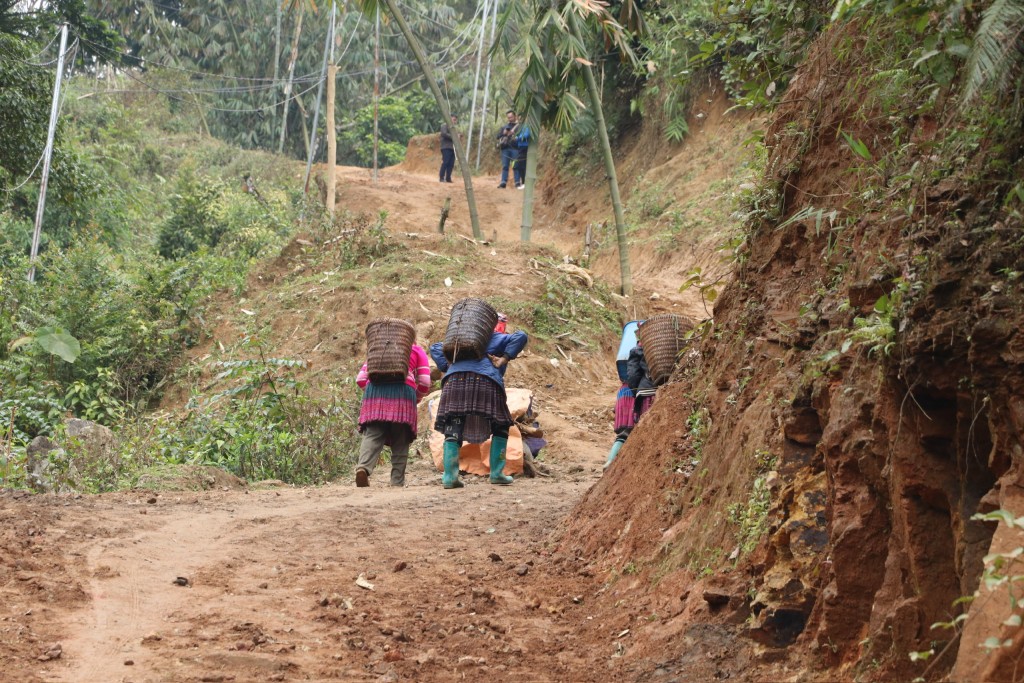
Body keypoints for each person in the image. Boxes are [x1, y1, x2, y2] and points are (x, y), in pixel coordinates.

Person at [430, 314, 528, 488]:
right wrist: (503, 359)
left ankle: (449, 477)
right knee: (500, 424)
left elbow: (435, 348)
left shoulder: (457, 342)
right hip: (486, 382)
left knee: (454, 425)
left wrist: (451, 366)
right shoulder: (495, 337)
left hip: (455, 384)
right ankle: (497, 473)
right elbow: (521, 336)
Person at [354, 342, 432, 487]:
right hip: (403, 393)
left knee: (373, 433)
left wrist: (373, 394)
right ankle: (397, 481)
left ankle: (363, 468)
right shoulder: (415, 349)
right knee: (401, 436)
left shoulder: (378, 348)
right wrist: (416, 397)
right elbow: (425, 381)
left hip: (375, 391)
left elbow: (360, 379)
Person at [604, 342, 655, 469]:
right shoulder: (653, 350)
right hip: (636, 394)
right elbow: (634, 377)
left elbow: (631, 375)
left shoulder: (635, 349)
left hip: (625, 393)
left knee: (623, 434)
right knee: (638, 432)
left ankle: (611, 462)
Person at [496, 110, 519, 189]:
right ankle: (503, 182)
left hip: (515, 148)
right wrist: (504, 133)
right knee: (505, 166)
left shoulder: (518, 127)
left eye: (511, 117)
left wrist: (514, 134)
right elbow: (498, 136)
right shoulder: (505, 127)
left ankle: (517, 182)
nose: (510, 119)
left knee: (515, 166)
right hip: (505, 148)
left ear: (515, 116)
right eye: (508, 117)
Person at [439, 114, 458, 183]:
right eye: (454, 119)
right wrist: (454, 136)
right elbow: (444, 134)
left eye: (455, 120)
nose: (455, 121)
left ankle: (448, 178)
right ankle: (441, 177)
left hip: (452, 148)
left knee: (451, 164)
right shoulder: (444, 125)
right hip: (445, 147)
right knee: (446, 162)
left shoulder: (453, 128)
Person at [513, 124, 531, 189]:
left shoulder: (526, 125)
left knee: (523, 165)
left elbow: (526, 135)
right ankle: (523, 182)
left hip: (525, 147)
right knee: (520, 165)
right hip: (520, 147)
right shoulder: (520, 126)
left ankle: (524, 183)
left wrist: (517, 138)